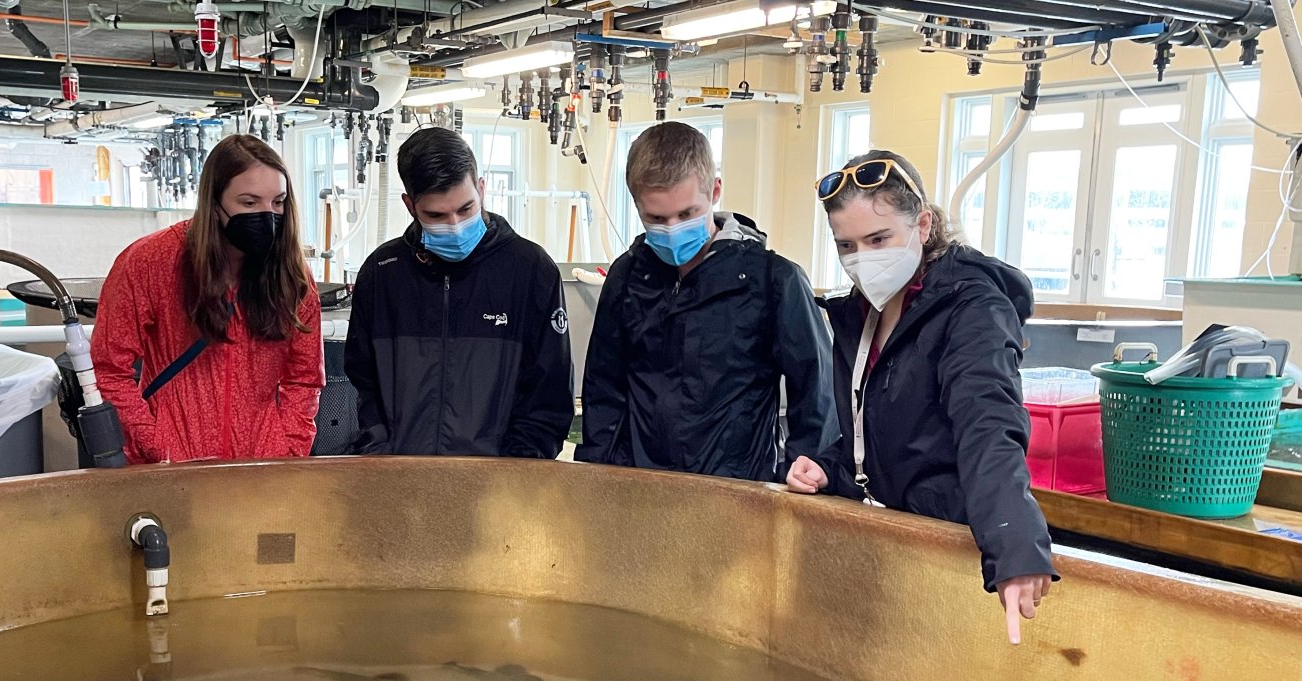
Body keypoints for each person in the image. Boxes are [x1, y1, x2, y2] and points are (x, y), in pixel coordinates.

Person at [786, 149, 1055, 644]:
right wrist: (831, 465)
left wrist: (1014, 544)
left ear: (924, 224)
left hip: (947, 544)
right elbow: (887, 430)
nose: (863, 259)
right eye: (847, 246)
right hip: (885, 541)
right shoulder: (862, 312)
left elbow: (988, 424)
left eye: (879, 239)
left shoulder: (973, 308)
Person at [576, 121, 838, 483]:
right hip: (638, 490)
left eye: (686, 214)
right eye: (656, 218)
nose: (672, 228)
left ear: (714, 190)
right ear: (635, 205)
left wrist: (803, 475)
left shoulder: (772, 282)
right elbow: (603, 389)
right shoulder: (628, 277)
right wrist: (597, 474)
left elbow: (817, 398)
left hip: (736, 494)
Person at [93, 134, 323, 464]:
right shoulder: (150, 262)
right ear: (215, 204)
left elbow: (304, 378)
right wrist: (154, 443)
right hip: (174, 467)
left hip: (262, 470)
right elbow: (110, 371)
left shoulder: (291, 275)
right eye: (249, 202)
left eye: (278, 202)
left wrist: (286, 448)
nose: (267, 215)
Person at [345, 127, 573, 458]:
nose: (454, 225)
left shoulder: (531, 271)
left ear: (481, 188)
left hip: (500, 487)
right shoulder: (382, 273)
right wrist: (381, 454)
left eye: (466, 209)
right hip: (398, 481)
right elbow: (360, 384)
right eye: (436, 215)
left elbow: (548, 396)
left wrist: (517, 472)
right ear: (410, 205)